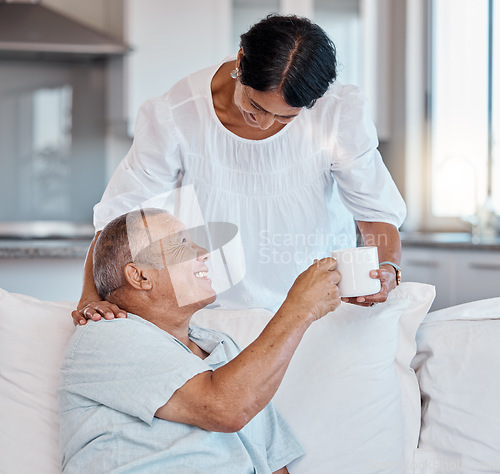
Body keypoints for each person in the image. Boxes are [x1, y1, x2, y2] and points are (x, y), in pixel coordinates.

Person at [72, 14, 406, 325]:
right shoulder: (176, 113)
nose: (264, 123)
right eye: (256, 106)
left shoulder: (337, 112)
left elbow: (376, 213)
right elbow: (118, 216)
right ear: (241, 60)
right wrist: (89, 295)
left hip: (317, 309)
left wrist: (388, 268)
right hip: (211, 312)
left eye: (285, 117)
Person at [58, 208, 341, 473]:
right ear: (141, 275)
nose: (204, 253)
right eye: (181, 244)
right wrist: (300, 308)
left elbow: (273, 462)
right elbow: (224, 408)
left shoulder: (224, 349)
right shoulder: (105, 334)